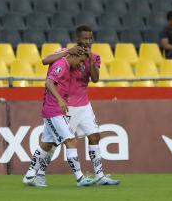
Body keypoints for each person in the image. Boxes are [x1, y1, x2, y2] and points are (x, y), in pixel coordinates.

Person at [38, 25, 120, 186]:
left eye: (90, 38)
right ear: (77, 39)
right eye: (85, 38)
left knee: (95, 135)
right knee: (52, 143)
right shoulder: (65, 52)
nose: (88, 41)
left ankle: (100, 176)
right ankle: (39, 174)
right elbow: (44, 61)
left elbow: (95, 79)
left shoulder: (94, 57)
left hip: (84, 105)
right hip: (66, 106)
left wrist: (89, 59)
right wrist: (68, 51)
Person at [22, 47, 94, 187]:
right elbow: (49, 82)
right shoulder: (61, 65)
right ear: (73, 55)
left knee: (47, 144)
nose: (80, 65)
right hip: (53, 110)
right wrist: (60, 99)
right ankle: (80, 178)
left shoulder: (66, 64)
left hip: (53, 110)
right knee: (70, 140)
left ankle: (29, 176)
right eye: (80, 61)